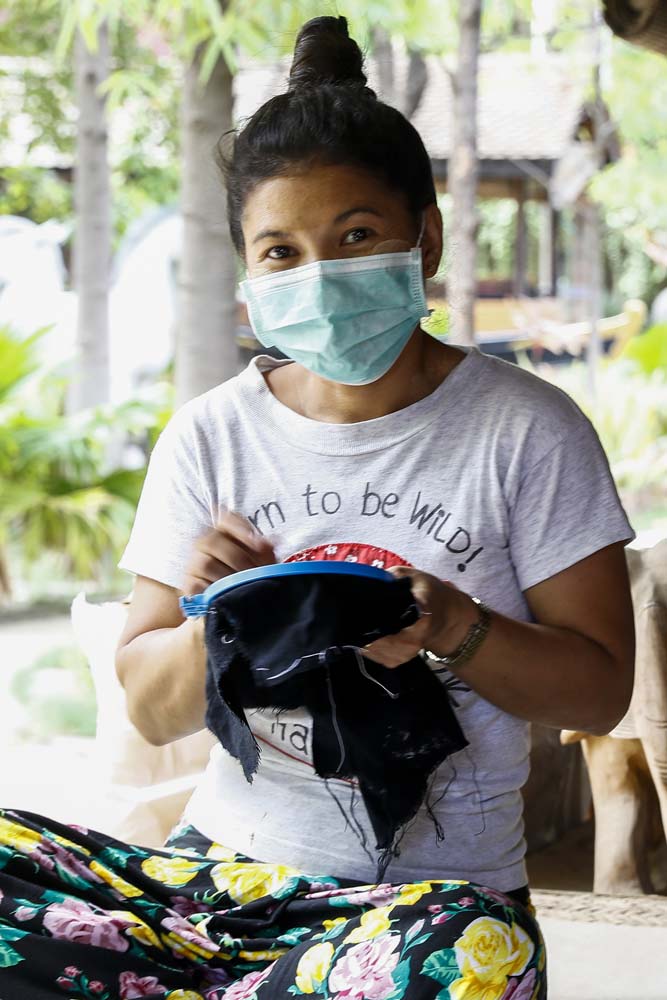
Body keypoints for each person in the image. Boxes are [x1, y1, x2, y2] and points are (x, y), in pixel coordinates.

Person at [0, 16, 635, 1000]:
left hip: (423, 909)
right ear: (251, 281)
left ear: (423, 237)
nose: (320, 275)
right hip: (216, 890)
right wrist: (215, 615)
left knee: (478, 961)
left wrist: (448, 622)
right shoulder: (209, 437)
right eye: (281, 252)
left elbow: (598, 693)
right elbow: (146, 700)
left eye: (354, 237)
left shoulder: (527, 432)